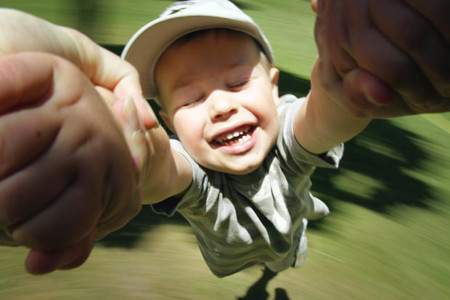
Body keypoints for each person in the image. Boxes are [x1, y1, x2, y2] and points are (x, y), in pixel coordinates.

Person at [0, 0, 448, 276]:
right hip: (225, 257)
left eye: (236, 85)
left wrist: (350, 70)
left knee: (286, 256)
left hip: (290, 232)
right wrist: (113, 137)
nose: (219, 107)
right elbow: (154, 162)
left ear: (274, 87)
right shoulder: (192, 172)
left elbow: (329, 110)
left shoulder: (288, 137)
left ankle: (280, 263)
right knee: (261, 261)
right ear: (170, 122)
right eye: (192, 100)